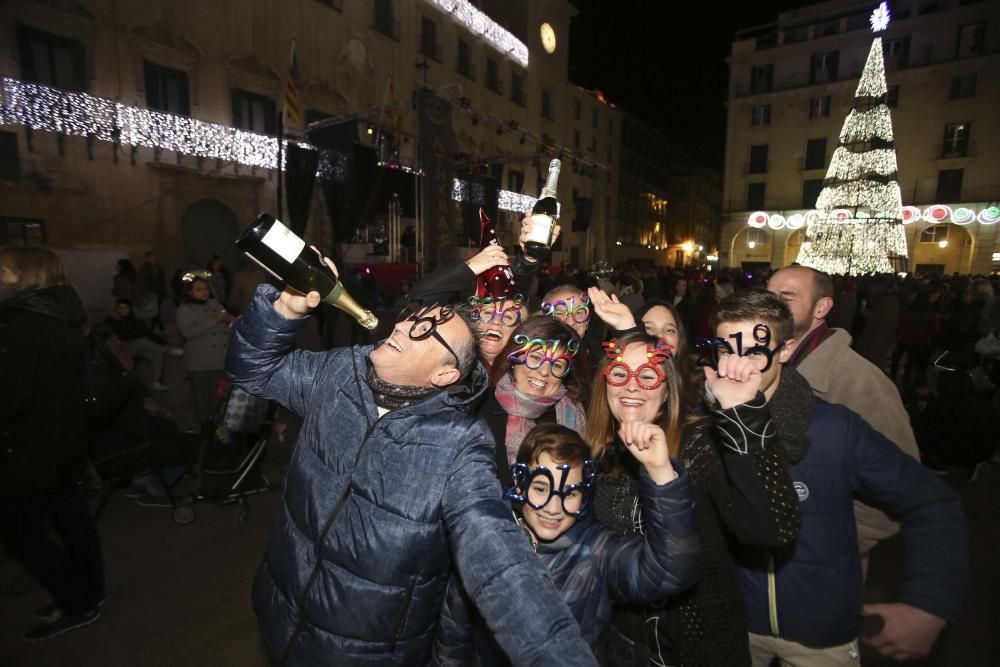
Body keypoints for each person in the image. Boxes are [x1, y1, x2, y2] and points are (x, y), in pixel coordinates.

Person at [226, 264, 597, 665]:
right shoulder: (338, 374)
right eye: (412, 321)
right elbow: (251, 369)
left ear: (445, 373)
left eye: (428, 330)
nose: (405, 327)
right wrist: (284, 309)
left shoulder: (458, 443)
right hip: (279, 612)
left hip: (364, 652)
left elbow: (499, 560)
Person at [713, 290, 966, 665]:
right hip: (733, 622)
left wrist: (928, 603)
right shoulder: (704, 427)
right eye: (725, 349)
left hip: (820, 633)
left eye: (754, 351)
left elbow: (932, 503)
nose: (736, 365)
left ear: (786, 350)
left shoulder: (834, 428)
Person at [588, 333, 801, 666]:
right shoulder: (598, 452)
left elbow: (773, 529)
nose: (631, 386)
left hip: (698, 647)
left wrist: (743, 414)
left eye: (647, 376)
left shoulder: (700, 444)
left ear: (667, 388)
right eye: (619, 374)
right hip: (619, 646)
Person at [433, 423, 700, 664]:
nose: (552, 508)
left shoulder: (597, 551)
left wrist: (660, 471)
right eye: (540, 489)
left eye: (569, 493)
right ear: (519, 483)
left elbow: (671, 570)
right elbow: (454, 635)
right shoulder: (486, 542)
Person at [767, 266, 920, 569]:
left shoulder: (860, 381)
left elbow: (902, 490)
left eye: (786, 298)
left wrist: (823, 544)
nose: (771, 308)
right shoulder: (761, 364)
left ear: (821, 307)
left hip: (818, 570)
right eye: (767, 296)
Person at [0, 247, 105, 640]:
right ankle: (88, 593)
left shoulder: (21, 323)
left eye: (3, 270)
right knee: (73, 521)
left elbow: (11, 397)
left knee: (23, 535)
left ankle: (76, 600)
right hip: (67, 440)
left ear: (25, 276)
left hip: (28, 446)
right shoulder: (67, 315)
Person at [480, 315, 588, 488]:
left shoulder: (573, 415)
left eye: (557, 365)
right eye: (536, 358)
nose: (545, 372)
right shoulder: (479, 411)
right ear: (514, 359)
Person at [176, 276, 233, 428]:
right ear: (189, 292)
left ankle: (220, 430)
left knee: (220, 399)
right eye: (199, 290)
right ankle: (205, 432)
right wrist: (214, 320)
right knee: (202, 401)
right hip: (200, 363)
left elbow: (228, 322)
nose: (204, 292)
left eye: (206, 289)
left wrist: (229, 320)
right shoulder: (185, 309)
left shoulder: (215, 303)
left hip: (221, 359)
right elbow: (188, 333)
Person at [105, 298, 183, 391]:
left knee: (155, 354)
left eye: (125, 307)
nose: (122, 310)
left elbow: (148, 333)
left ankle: (156, 382)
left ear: (130, 309)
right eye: (120, 307)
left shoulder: (135, 320)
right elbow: (123, 336)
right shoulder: (113, 321)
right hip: (123, 349)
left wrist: (166, 343)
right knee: (142, 340)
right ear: (116, 309)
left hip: (139, 347)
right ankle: (166, 349)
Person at [138, 250, 167, 331]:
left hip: (159, 293)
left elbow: (162, 281)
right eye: (151, 257)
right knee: (154, 312)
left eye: (154, 257)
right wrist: (147, 293)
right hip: (151, 294)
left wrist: (163, 292)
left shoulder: (158, 267)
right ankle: (159, 329)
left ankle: (154, 329)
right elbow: (143, 282)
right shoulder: (144, 269)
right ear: (146, 259)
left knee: (156, 312)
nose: (153, 259)